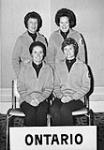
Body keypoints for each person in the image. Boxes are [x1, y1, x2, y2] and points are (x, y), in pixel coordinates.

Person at [50, 37, 90, 126]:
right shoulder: (59, 66)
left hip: (77, 98)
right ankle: (58, 135)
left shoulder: (83, 66)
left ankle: (68, 136)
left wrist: (71, 97)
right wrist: (61, 96)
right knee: (53, 109)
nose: (68, 51)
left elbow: (86, 87)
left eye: (70, 49)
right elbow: (55, 85)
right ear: (63, 51)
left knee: (65, 109)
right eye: (65, 49)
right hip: (61, 96)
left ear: (75, 50)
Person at [17, 41, 53, 126]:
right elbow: (21, 88)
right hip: (26, 100)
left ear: (44, 54)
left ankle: (41, 138)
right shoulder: (24, 68)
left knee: (42, 112)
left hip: (42, 100)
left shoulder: (48, 69)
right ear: (31, 54)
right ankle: (29, 137)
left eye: (40, 52)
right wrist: (30, 100)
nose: (38, 55)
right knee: (30, 113)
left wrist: (39, 99)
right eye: (35, 52)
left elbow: (48, 89)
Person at [12, 11, 48, 77]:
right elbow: (15, 59)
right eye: (31, 22)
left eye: (35, 23)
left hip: (40, 73)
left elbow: (46, 57)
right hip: (26, 74)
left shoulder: (42, 39)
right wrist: (19, 74)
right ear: (27, 24)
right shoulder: (21, 39)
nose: (33, 25)